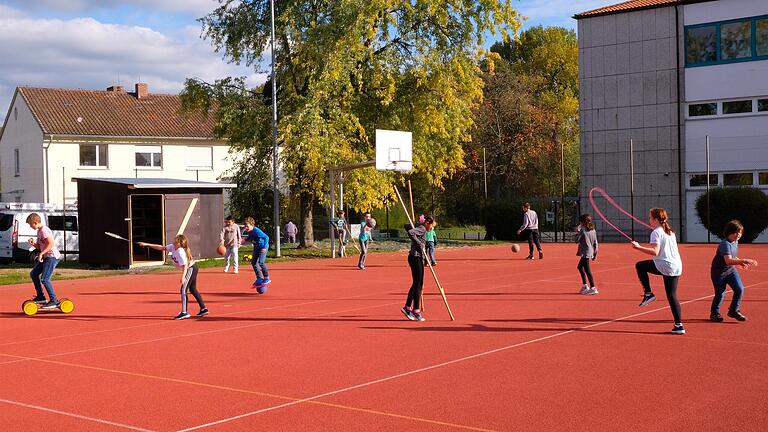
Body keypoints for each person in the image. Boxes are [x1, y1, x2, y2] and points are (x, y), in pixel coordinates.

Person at [631, 208, 684, 335]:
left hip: (665, 265)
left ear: (655, 219)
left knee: (640, 266)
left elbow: (655, 252)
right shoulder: (670, 232)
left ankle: (648, 293)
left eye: (650, 218)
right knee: (672, 296)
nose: (649, 220)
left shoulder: (656, 233)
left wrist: (638, 248)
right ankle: (679, 325)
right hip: (676, 265)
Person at [139, 235, 208, 320]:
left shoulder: (180, 251)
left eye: (176, 239)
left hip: (190, 269)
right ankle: (203, 309)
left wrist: (183, 277)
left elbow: (185, 265)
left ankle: (184, 312)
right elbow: (161, 248)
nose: (174, 239)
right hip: (192, 268)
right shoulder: (172, 247)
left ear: (179, 243)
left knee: (183, 290)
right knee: (193, 289)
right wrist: (146, 244)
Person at [709, 220, 758, 322]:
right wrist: (744, 260)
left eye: (740, 232)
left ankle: (733, 310)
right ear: (729, 232)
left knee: (739, 289)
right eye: (735, 232)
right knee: (720, 294)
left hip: (730, 271)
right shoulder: (725, 244)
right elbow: (728, 260)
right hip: (719, 273)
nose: (738, 235)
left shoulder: (735, 242)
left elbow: (733, 257)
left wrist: (739, 262)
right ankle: (714, 313)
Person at [401, 215, 435, 322]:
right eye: (432, 226)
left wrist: (425, 259)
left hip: (417, 257)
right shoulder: (422, 228)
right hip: (415, 258)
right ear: (427, 223)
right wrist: (419, 243)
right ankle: (416, 310)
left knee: (417, 283)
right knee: (419, 284)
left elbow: (408, 226)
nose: (432, 229)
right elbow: (410, 232)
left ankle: (407, 307)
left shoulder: (421, 227)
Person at [26, 213, 62, 309]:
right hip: (47, 257)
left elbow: (51, 244)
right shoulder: (39, 231)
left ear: (35, 222)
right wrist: (33, 243)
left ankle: (54, 301)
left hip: (52, 257)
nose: (30, 226)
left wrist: (41, 254)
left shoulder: (44, 230)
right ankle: (41, 297)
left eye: (30, 224)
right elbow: (40, 246)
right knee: (34, 274)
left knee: (45, 279)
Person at [241, 216, 271, 288]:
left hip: (262, 248)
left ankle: (266, 277)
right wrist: (244, 239)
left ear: (252, 225)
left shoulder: (256, 230)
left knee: (261, 262)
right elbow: (250, 238)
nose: (246, 228)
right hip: (256, 248)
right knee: (253, 262)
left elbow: (266, 237)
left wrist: (264, 247)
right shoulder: (250, 232)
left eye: (247, 226)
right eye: (245, 226)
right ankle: (259, 278)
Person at [575, 214, 599, 295]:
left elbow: (576, 240)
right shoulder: (593, 230)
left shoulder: (583, 230)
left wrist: (578, 231)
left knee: (587, 270)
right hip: (589, 252)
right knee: (580, 267)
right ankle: (585, 285)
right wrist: (595, 253)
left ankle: (593, 287)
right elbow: (596, 243)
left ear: (582, 222)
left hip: (585, 252)